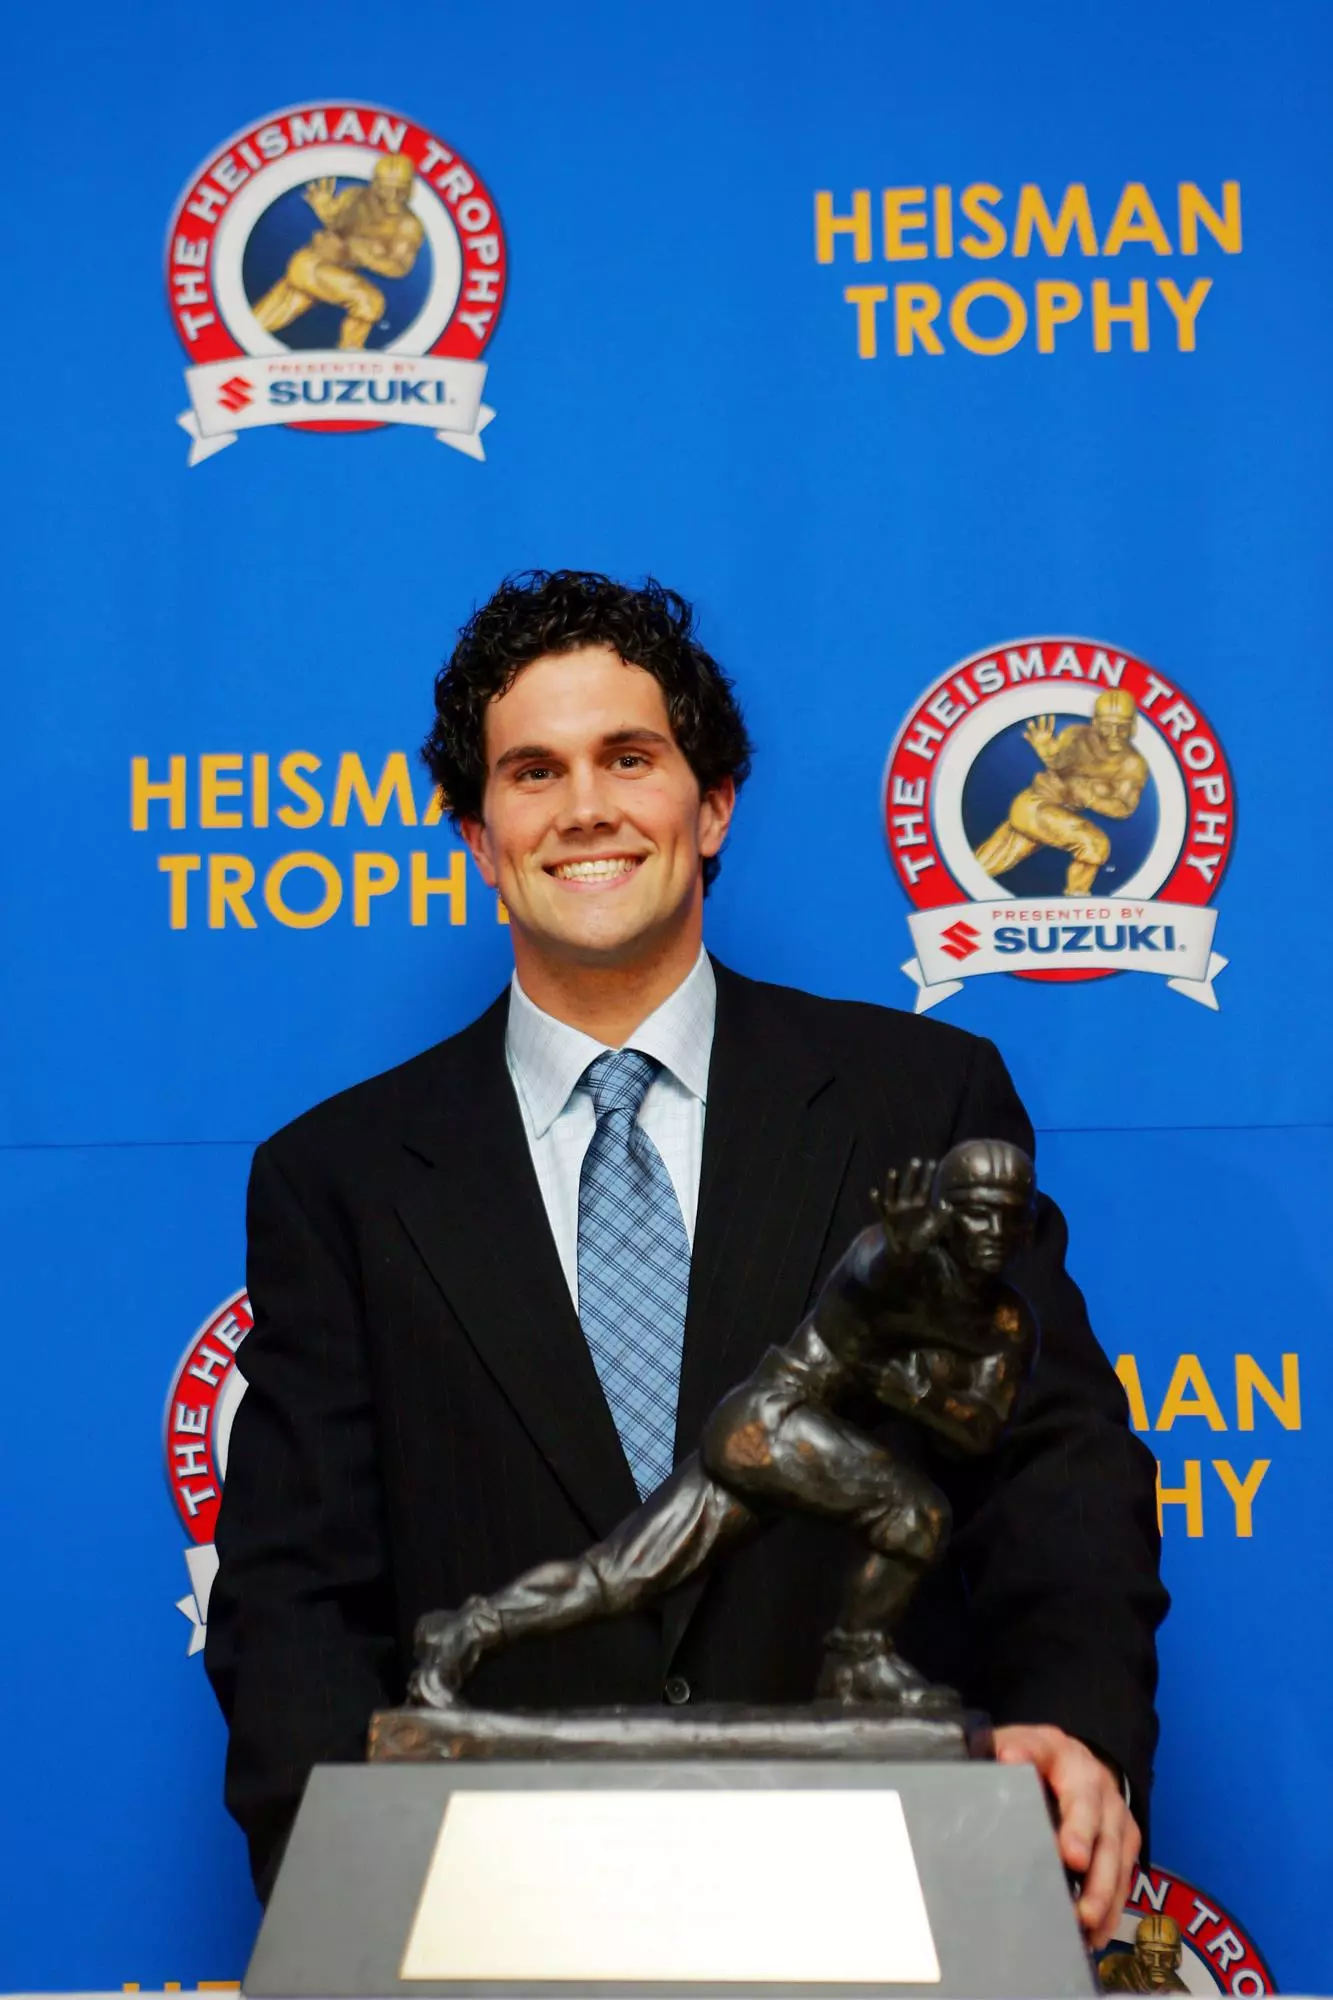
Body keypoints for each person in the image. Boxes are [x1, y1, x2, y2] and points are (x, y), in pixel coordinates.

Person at [206, 571, 1167, 1951]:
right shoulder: (338, 1181)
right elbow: (292, 1589)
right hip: (487, 1927)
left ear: (710, 806)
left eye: (629, 758)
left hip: (888, 1901)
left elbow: (1055, 1473)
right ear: (480, 834)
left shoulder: (922, 1103)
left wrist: (1076, 1742)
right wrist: (347, 1905)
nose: (584, 805)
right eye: (532, 771)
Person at [975, 688, 1149, 894]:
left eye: (1122, 727)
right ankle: (1077, 899)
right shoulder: (1077, 736)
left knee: (986, 863)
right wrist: (1048, 752)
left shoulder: (1133, 764)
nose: (1114, 734)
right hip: (1034, 807)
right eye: (1107, 726)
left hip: (1054, 816)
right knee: (1094, 844)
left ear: (1134, 726)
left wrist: (1089, 795)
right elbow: (1060, 763)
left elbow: (1123, 808)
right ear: (1095, 723)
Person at [253, 153, 422, 350]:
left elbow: (399, 267)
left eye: (399, 190)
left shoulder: (408, 226)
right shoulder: (355, 197)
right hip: (311, 264)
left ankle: (235, 339)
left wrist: (365, 254)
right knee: (369, 302)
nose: (392, 197)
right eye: (385, 188)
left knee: (272, 313)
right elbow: (337, 222)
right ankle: (350, 353)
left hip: (325, 271)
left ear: (410, 189)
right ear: (375, 184)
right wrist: (324, 208)